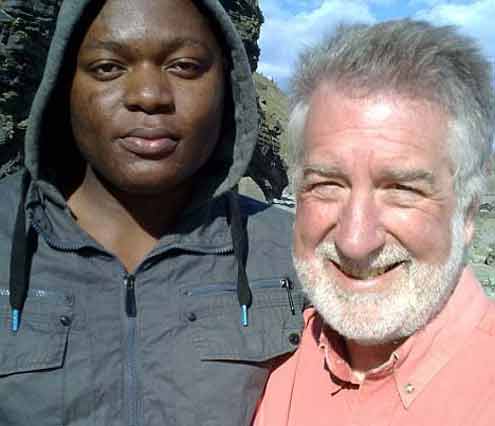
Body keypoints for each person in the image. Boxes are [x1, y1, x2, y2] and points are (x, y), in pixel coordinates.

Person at [0, 1, 305, 425]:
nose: (149, 96)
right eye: (107, 67)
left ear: (227, 87)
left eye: (184, 66)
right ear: (62, 84)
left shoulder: (296, 252)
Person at [253, 20, 495, 426]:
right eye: (327, 184)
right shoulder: (268, 364)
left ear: (468, 212)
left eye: (401, 188)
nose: (355, 241)